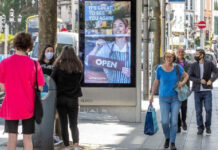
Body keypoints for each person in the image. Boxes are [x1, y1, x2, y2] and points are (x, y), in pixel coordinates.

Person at [0, 32, 44, 150]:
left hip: (11, 105)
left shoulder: (4, 63)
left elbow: (2, 87)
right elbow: (40, 87)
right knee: (28, 138)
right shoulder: (35, 64)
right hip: (28, 106)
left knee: (12, 137)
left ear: (15, 44)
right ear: (29, 46)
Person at [150, 50, 189, 150]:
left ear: (173, 58)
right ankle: (167, 137)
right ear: (164, 58)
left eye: (171, 56)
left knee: (174, 122)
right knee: (165, 122)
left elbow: (186, 76)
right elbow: (156, 81)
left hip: (176, 98)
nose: (169, 58)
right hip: (163, 98)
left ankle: (172, 142)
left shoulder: (177, 67)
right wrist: (152, 94)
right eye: (167, 56)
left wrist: (182, 83)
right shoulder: (159, 68)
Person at [51, 46, 83, 150]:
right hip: (73, 98)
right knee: (74, 123)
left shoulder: (58, 66)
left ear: (63, 54)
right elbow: (80, 81)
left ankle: (66, 146)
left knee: (63, 123)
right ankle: (76, 145)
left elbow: (51, 80)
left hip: (60, 99)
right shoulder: (78, 66)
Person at [86, 18, 131, 83]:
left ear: (126, 29)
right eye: (114, 26)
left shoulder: (131, 47)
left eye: (120, 26)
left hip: (129, 89)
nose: (117, 28)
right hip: (110, 88)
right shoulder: (107, 47)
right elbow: (88, 61)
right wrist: (96, 47)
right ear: (113, 30)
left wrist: (132, 74)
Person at [189, 49, 218, 135]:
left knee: (208, 109)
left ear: (202, 55)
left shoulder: (209, 63)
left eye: (197, 54)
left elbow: (217, 72)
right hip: (197, 91)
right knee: (198, 111)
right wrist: (199, 80)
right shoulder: (193, 65)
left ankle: (208, 126)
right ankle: (200, 127)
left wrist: (211, 80)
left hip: (207, 91)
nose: (195, 56)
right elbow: (190, 76)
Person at [38, 44, 62, 145]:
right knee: (41, 112)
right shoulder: (39, 63)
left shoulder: (55, 63)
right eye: (47, 50)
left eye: (51, 51)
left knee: (52, 113)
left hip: (52, 91)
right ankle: (40, 133)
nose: (49, 53)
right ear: (44, 52)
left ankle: (53, 135)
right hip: (42, 91)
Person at [175, 47, 191, 133]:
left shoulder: (188, 63)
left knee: (184, 106)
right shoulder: (173, 62)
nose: (181, 53)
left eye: (182, 51)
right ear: (177, 53)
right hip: (175, 87)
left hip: (184, 87)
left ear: (184, 53)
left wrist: (182, 80)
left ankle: (183, 120)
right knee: (176, 106)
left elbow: (188, 74)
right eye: (179, 51)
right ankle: (178, 125)